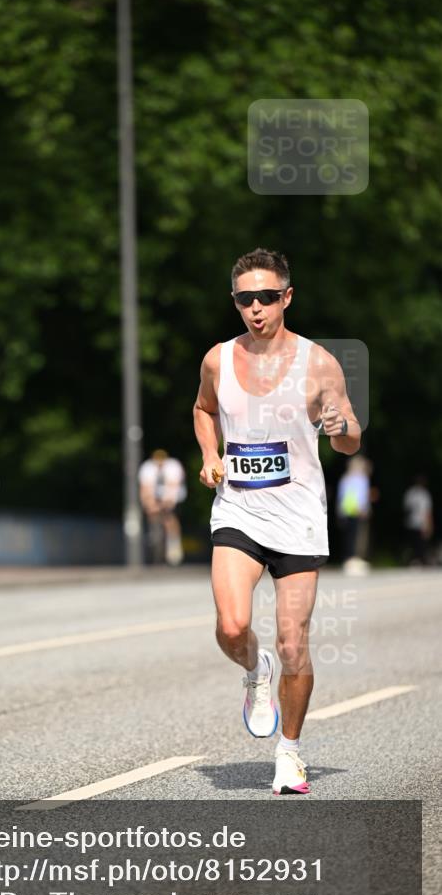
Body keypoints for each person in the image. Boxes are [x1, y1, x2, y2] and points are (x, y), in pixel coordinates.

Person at [193, 248, 360, 795]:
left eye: (267, 297)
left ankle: (289, 754)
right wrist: (210, 455)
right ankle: (252, 669)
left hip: (298, 516)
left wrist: (338, 428)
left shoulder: (319, 363)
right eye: (246, 298)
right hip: (239, 507)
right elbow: (203, 408)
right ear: (235, 302)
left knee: (294, 644)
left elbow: (350, 436)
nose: (257, 307)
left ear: (287, 297)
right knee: (233, 625)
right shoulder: (218, 359)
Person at [138, 449, 187, 564]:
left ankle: (174, 544)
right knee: (152, 514)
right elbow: (145, 488)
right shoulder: (147, 468)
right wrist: (149, 504)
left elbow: (173, 487)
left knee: (170, 518)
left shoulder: (173, 466)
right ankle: (154, 538)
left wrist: (166, 504)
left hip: (174, 496)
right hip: (156, 495)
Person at [336, 455, 372, 574]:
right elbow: (362, 496)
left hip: (347, 510)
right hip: (357, 510)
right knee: (356, 536)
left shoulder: (346, 478)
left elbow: (341, 496)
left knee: (349, 536)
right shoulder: (362, 478)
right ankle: (353, 559)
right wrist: (365, 509)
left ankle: (350, 559)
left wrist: (340, 511)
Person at [403, 475, 434, 566]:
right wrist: (429, 525)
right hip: (420, 523)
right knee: (420, 544)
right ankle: (419, 560)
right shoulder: (424, 494)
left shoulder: (410, 493)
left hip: (411, 523)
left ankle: (416, 560)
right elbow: (427, 511)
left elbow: (406, 508)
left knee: (415, 544)